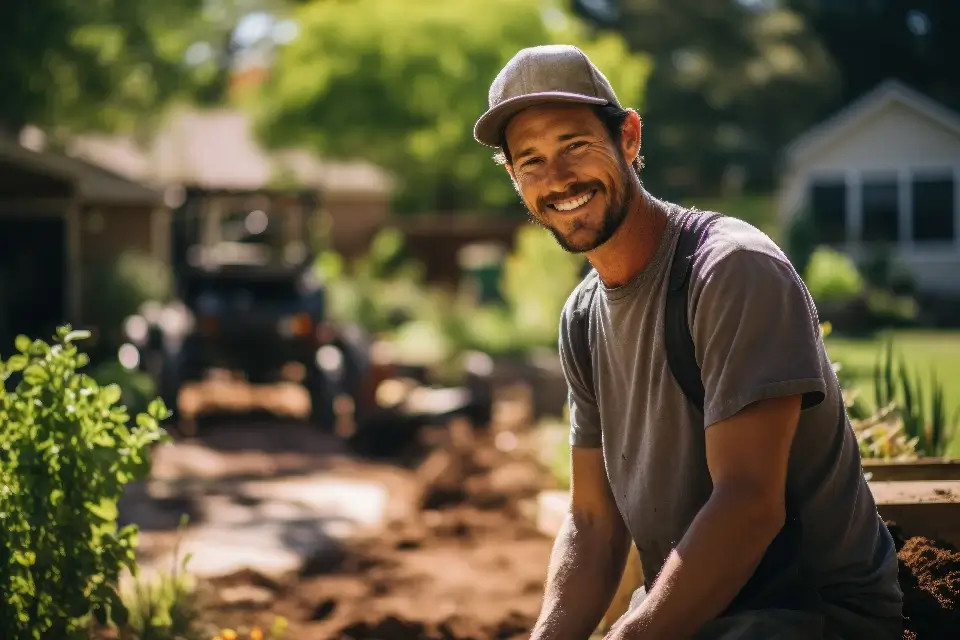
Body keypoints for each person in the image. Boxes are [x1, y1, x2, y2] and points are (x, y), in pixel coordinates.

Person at [472, 44, 903, 640]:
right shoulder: (582, 318)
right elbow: (593, 522)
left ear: (627, 137)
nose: (558, 178)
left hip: (812, 620)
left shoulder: (728, 271)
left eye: (575, 145)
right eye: (531, 161)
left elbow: (749, 505)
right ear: (515, 179)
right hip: (702, 615)